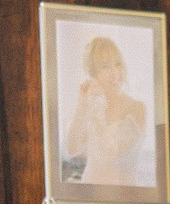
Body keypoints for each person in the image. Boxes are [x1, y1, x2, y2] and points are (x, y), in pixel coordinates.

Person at [64, 33, 150, 187]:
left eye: (118, 64)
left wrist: (97, 115)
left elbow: (115, 155)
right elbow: (72, 149)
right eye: (105, 66)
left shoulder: (137, 108)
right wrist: (82, 104)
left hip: (124, 197)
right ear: (93, 74)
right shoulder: (90, 108)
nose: (115, 72)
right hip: (90, 193)